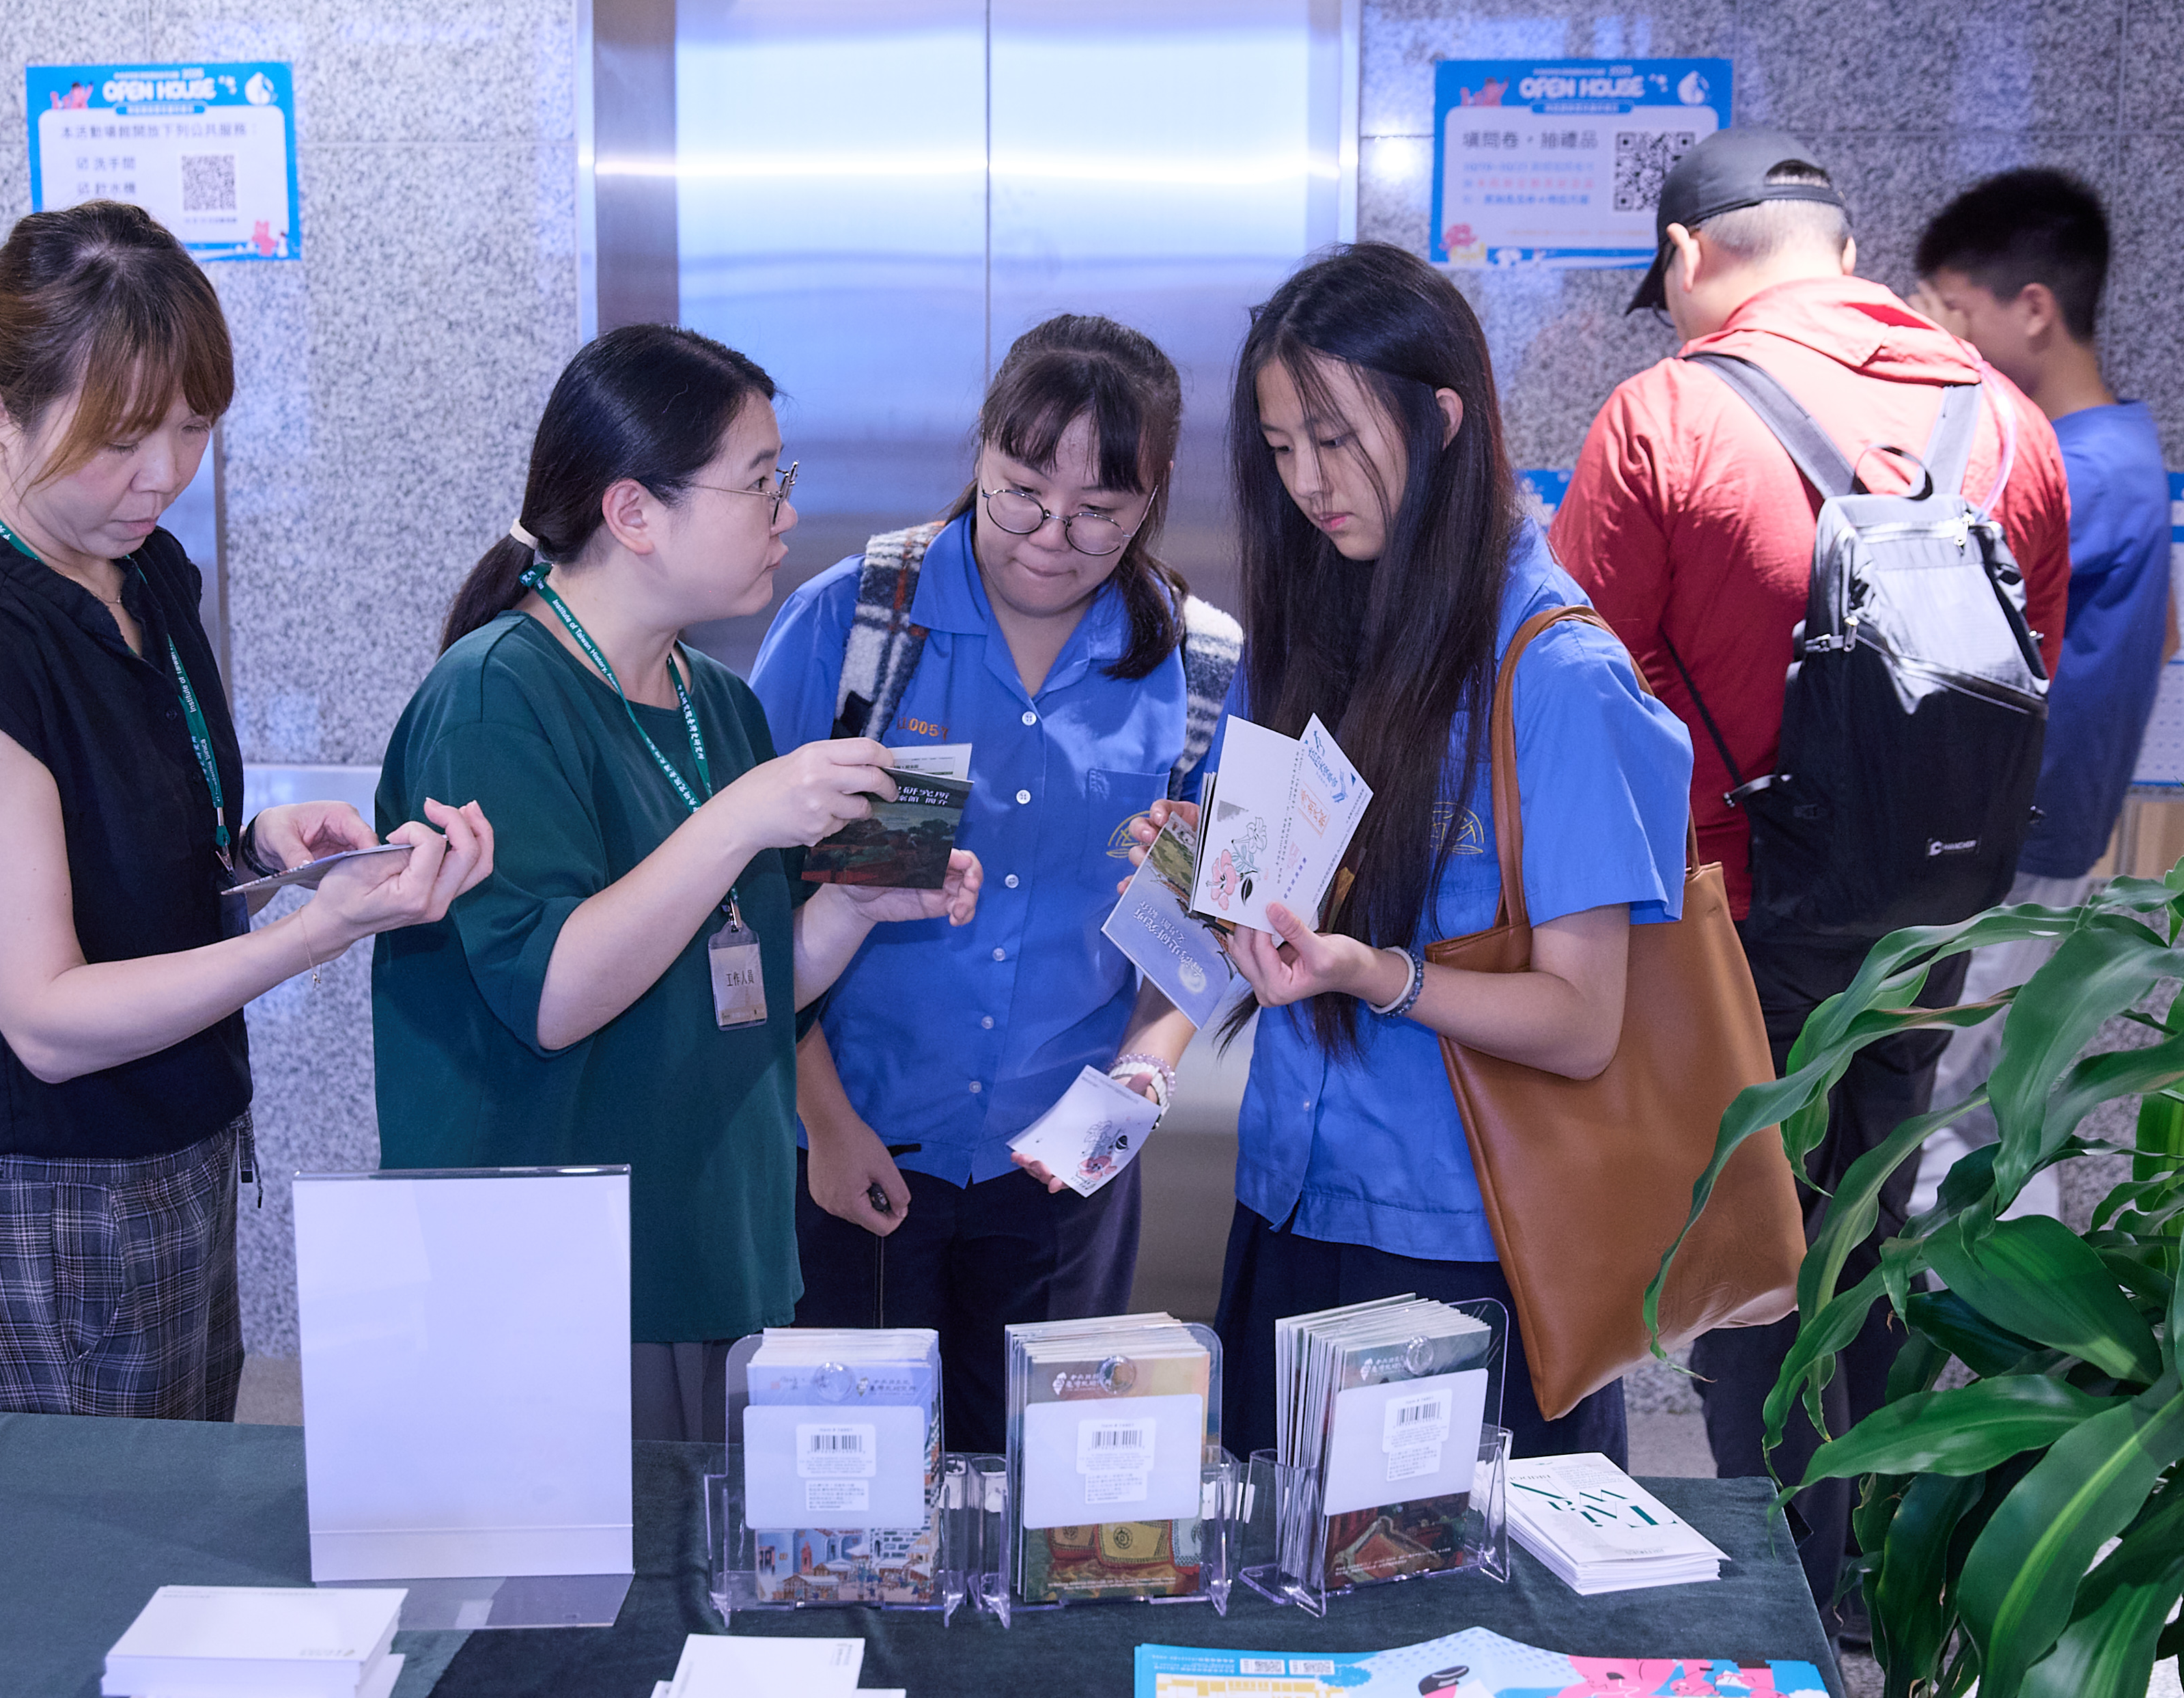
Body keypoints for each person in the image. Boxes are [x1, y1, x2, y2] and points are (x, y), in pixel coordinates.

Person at [0, 201, 492, 1421]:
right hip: (34, 1198)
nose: (163, 476)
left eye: (192, 429)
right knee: (76, 1575)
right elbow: (44, 1018)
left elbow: (108, 849)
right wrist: (314, 934)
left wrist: (256, 855)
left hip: (174, 1147)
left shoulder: (139, 570)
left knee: (174, 1538)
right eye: (119, 438)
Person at [1547, 130, 2072, 1619]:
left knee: (1747, 1253)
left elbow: (1580, 691)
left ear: (1686, 258)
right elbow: (2025, 670)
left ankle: (1788, 1583)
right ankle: (1876, 1575)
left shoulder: (1662, 418)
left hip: (1734, 915)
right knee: (1868, 1210)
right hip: (1931, 909)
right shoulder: (2009, 424)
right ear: (1842, 251)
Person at [370, 324, 983, 1443]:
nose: (785, 512)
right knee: (593, 1614)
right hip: (567, 1284)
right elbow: (550, 994)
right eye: (759, 483)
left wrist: (852, 903)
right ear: (633, 513)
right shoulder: (497, 695)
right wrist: (743, 817)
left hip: (722, 1246)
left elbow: (756, 984)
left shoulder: (720, 703)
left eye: (780, 479)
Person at [1164, 243, 1692, 1466]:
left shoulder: (1554, 670)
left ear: (1442, 416)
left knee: (1459, 1646)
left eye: (1334, 440)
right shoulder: (1305, 628)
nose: (1306, 482)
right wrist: (1197, 879)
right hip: (1286, 1203)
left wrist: (1370, 972)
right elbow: (1254, 917)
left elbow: (1582, 1019)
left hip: (1468, 1246)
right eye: (1281, 447)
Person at [745, 314, 1243, 1454]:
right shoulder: (855, 625)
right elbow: (747, 903)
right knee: (853, 1495)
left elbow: (1214, 925)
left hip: (1061, 1174)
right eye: (1020, 490)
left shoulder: (1202, 671)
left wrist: (1144, 1071)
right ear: (981, 452)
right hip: (853, 1148)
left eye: (1099, 513)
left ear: (1152, 494)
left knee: (1034, 1495)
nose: (1051, 536)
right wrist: (820, 1119)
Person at [1910, 168, 2172, 1220]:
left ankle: (1935, 1369)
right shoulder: (2128, 454)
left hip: (2016, 849)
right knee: (2004, 1103)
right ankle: (2040, 1361)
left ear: (2033, 310)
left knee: (1929, 1111)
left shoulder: (2071, 474)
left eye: (1955, 317)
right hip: (2060, 838)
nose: (1944, 344)